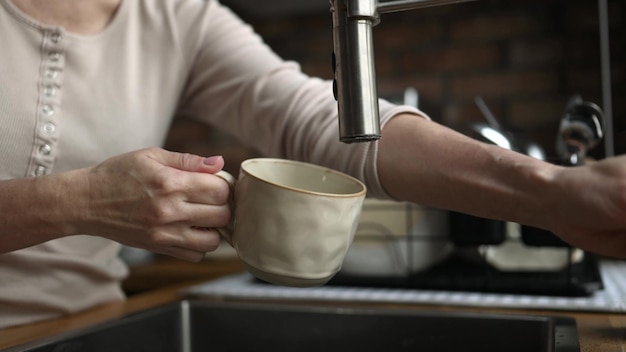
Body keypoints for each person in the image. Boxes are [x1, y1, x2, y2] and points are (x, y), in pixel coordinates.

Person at [0, 0, 625, 329]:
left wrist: (549, 191)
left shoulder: (177, 17)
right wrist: (76, 202)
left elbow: (320, 121)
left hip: (89, 331)